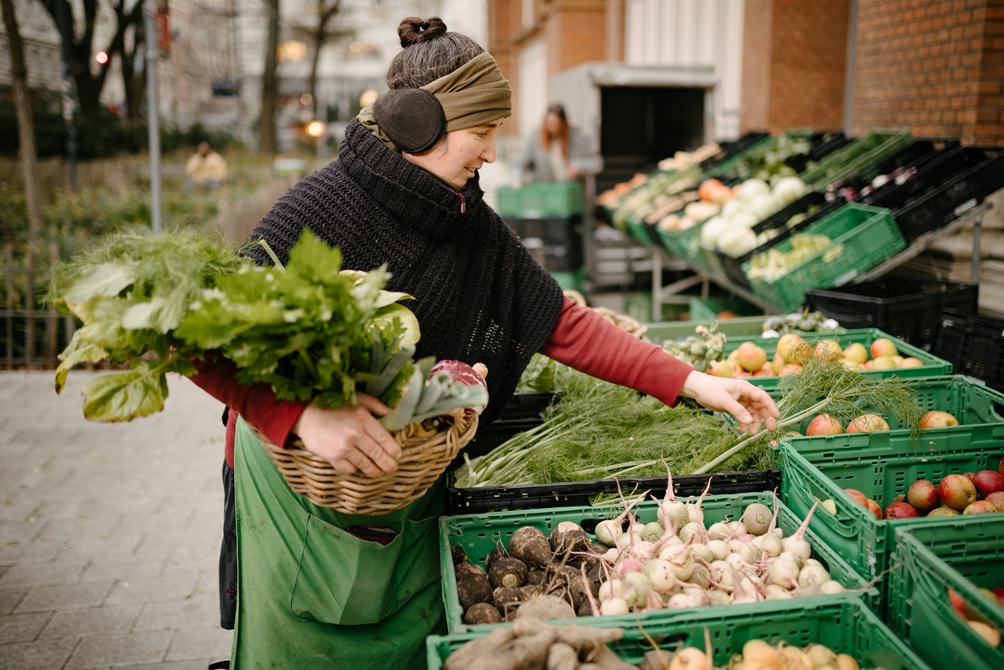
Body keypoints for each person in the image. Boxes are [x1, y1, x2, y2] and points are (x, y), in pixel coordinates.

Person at [188, 16, 778, 669]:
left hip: (405, 477)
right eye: (485, 130)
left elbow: (560, 322)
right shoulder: (322, 209)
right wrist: (296, 415)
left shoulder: (467, 218)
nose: (493, 152)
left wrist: (695, 383)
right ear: (420, 123)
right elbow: (198, 336)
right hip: (299, 483)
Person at [510, 103, 603, 185]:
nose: (552, 128)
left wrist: (578, 167)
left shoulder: (578, 139)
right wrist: (516, 179)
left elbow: (597, 163)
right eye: (549, 124)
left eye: (556, 124)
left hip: (571, 195)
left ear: (563, 123)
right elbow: (520, 163)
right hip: (545, 195)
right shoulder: (534, 140)